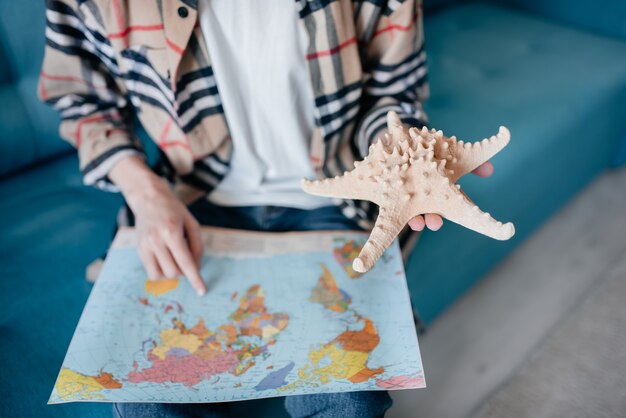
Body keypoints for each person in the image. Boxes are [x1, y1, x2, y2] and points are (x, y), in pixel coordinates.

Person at [40, 0, 492, 416]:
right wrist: (144, 193)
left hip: (335, 197)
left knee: (347, 396)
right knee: (149, 401)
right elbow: (82, 100)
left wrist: (399, 149)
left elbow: (393, 95)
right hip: (194, 197)